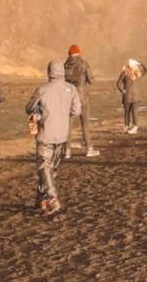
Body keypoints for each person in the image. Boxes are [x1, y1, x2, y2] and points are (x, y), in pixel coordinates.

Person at [25, 61, 81, 215]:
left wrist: (41, 114)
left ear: (49, 72)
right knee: (51, 169)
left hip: (46, 134)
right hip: (62, 134)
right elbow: (76, 111)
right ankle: (41, 200)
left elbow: (29, 107)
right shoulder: (72, 89)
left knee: (44, 167)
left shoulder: (42, 90)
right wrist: (62, 116)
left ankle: (52, 198)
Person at [64, 43, 100, 158]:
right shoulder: (84, 64)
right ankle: (89, 148)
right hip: (83, 97)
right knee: (85, 124)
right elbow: (91, 80)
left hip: (69, 98)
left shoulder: (65, 65)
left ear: (69, 54)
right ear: (78, 53)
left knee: (68, 125)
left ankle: (67, 150)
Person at [117, 58, 147, 134]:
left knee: (127, 112)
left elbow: (118, 83)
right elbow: (146, 70)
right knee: (134, 112)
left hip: (127, 96)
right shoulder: (137, 73)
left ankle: (127, 127)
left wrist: (122, 90)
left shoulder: (124, 72)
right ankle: (135, 127)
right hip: (135, 96)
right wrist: (141, 63)